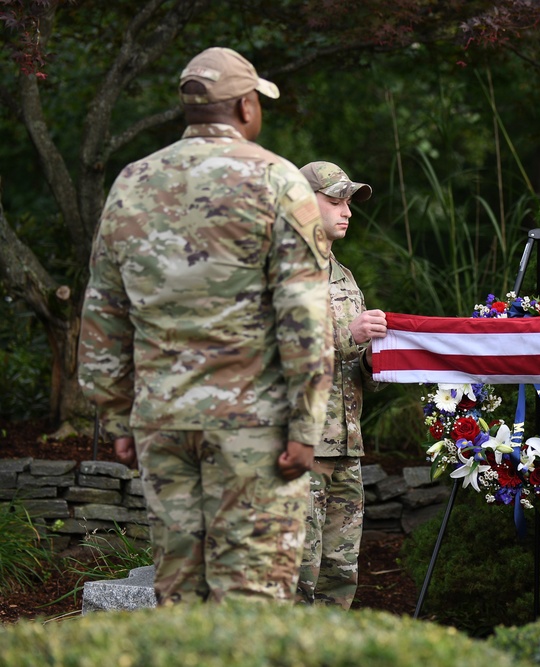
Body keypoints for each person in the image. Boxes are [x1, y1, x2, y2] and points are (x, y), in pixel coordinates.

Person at [78, 47, 333, 605]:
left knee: (179, 599)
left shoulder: (133, 183)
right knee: (250, 602)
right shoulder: (278, 181)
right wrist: (306, 427)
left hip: (163, 425)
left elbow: (103, 312)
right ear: (245, 107)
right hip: (254, 429)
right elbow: (305, 317)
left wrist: (118, 417)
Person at [296, 161, 386, 608]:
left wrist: (376, 358)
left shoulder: (344, 276)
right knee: (295, 577)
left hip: (345, 448)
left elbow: (355, 371)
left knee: (338, 577)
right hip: (300, 450)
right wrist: (347, 337)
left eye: (348, 201)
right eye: (334, 201)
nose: (346, 210)